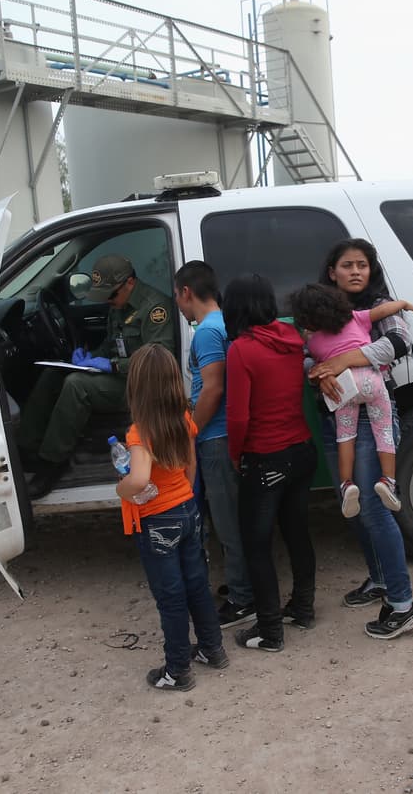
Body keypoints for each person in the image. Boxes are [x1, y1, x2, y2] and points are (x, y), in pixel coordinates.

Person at [306, 238, 413, 640]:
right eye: (347, 265)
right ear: (332, 271)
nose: (356, 271)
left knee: (376, 508)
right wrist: (319, 369)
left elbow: (398, 343)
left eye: (362, 264)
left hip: (371, 416)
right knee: (352, 504)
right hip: (335, 412)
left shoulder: (379, 306)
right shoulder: (319, 308)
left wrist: (341, 361)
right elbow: (305, 353)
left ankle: (402, 603)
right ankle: (379, 578)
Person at [19, 254, 177, 498]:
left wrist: (112, 365)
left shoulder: (155, 308)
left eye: (110, 295)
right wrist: (90, 356)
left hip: (142, 387)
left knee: (76, 385)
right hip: (120, 377)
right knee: (53, 373)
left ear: (130, 283)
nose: (107, 301)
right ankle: (26, 448)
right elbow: (111, 344)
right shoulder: (118, 306)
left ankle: (52, 463)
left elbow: (158, 362)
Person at [117, 344, 225, 692]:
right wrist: (185, 498)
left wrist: (121, 488)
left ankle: (177, 669)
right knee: (196, 584)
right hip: (187, 511)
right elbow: (190, 465)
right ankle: (212, 648)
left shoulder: (139, 433)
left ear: (137, 388)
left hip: (156, 521)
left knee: (171, 597)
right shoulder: (184, 418)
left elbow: (138, 479)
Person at [222, 275, 318, 652]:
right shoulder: (291, 339)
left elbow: (239, 417)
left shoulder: (241, 350)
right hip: (301, 450)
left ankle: (270, 630)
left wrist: (236, 453)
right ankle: (304, 608)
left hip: (266, 456)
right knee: (297, 532)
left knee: (256, 545)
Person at [288, 283, 413, 517]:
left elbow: (314, 365)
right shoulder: (356, 318)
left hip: (343, 387)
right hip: (371, 380)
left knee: (345, 436)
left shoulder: (314, 342)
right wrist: (404, 304)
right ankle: (387, 481)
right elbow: (383, 311)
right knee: (383, 432)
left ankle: (347, 484)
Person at [173, 261, 254, 630]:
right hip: (224, 434)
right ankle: (243, 585)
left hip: (215, 437)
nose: (178, 304)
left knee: (228, 521)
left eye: (177, 297)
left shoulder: (206, 332)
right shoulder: (224, 325)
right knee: (233, 517)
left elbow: (213, 387)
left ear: (186, 292)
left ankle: (243, 599)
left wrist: (190, 429)